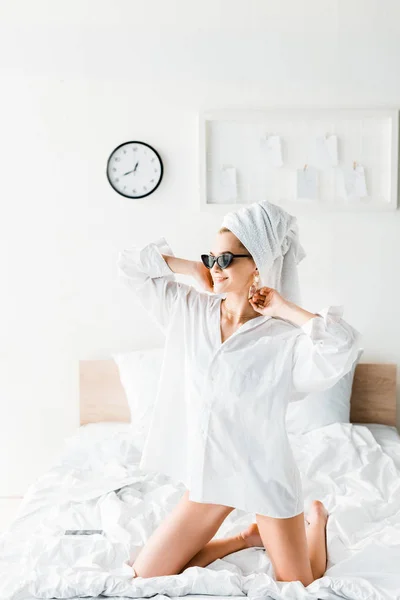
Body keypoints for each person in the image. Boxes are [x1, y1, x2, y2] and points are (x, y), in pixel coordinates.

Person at [117, 201, 362, 586]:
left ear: (257, 264)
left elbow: (341, 347)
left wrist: (284, 307)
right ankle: (245, 537)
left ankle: (317, 518)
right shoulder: (189, 309)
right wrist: (191, 268)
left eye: (226, 259)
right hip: (209, 474)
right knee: (142, 575)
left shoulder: (283, 339)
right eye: (210, 257)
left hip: (264, 475)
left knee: (300, 584)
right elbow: (130, 266)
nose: (215, 268)